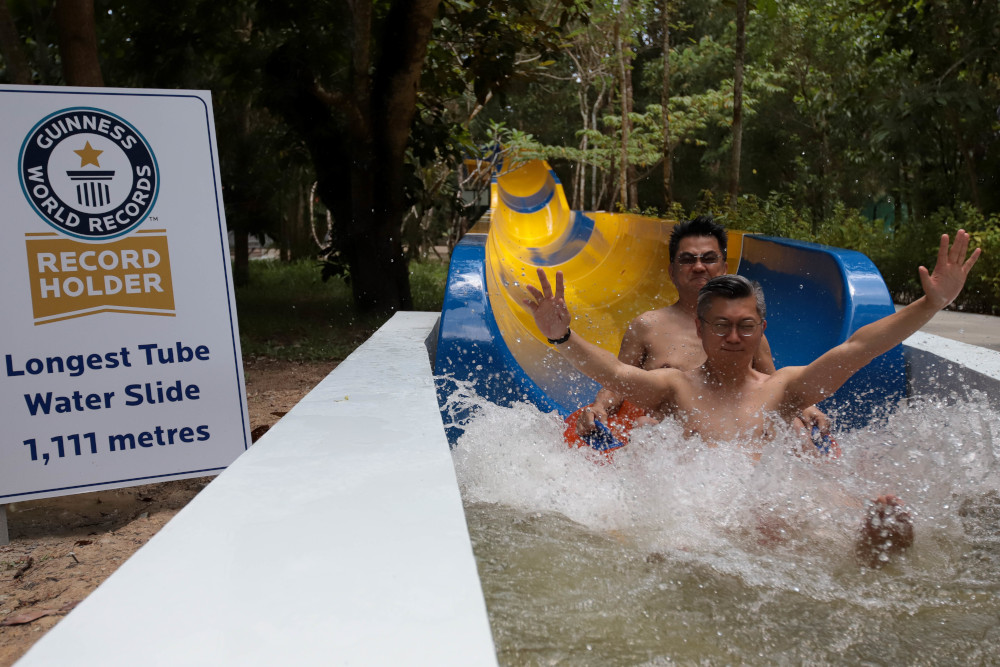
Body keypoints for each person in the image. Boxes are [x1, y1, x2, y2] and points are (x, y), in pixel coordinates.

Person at [522, 231, 981, 567]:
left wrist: (930, 304)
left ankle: (869, 551)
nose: (734, 337)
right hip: (700, 524)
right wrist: (561, 336)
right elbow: (615, 373)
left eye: (745, 326)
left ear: (761, 328)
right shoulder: (675, 389)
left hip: (765, 521)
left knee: (822, 520)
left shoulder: (783, 390)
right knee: (680, 547)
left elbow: (858, 348)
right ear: (700, 328)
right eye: (721, 325)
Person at [576, 215, 827, 444]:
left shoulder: (743, 332)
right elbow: (619, 383)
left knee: (795, 429)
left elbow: (774, 386)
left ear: (724, 268)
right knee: (645, 426)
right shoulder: (647, 326)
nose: (698, 267)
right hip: (674, 437)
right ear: (672, 271)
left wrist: (805, 407)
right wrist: (599, 406)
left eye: (708, 259)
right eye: (687, 260)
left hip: (736, 430)